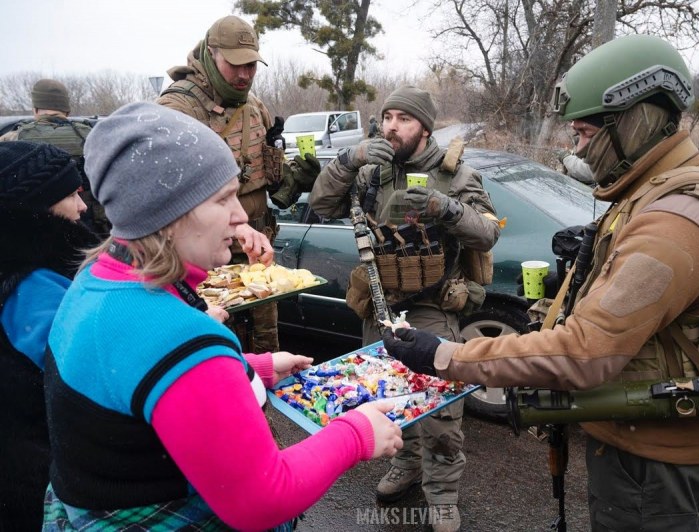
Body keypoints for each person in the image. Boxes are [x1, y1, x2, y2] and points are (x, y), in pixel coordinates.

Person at [382, 35, 699, 531]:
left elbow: (586, 352)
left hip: (651, 451)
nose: (576, 148)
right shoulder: (659, 191)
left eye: (582, 133)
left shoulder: (676, 221)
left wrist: (445, 356)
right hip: (644, 430)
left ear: (635, 121)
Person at [41, 102, 403, 531]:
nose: (241, 216)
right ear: (169, 214)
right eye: (223, 198)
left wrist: (251, 368)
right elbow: (261, 500)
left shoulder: (95, 283)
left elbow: (132, 381)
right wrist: (355, 433)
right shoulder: (179, 338)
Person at [309, 86, 501, 532]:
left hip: (430, 305)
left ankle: (443, 497)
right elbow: (321, 204)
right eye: (387, 116)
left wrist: (445, 208)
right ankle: (407, 465)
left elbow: (488, 236)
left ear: (426, 129)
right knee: (389, 398)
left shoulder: (456, 176)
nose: (392, 126)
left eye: (404, 119)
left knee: (440, 411)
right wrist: (347, 160)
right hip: (380, 303)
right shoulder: (369, 170)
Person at [157, 15, 320, 353]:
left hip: (256, 256)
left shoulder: (255, 107)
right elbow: (162, 197)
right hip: (202, 266)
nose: (245, 74)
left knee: (265, 352)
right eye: (235, 65)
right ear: (211, 54)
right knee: (211, 351)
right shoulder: (178, 109)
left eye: (251, 65)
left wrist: (297, 179)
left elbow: (273, 187)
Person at [0, 141, 96, 531]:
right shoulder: (32, 288)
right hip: (37, 473)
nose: (84, 206)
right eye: (72, 194)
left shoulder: (29, 268)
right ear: (38, 206)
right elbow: (89, 367)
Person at [0, 78, 109, 236]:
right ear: (67, 111)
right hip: (88, 219)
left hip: (33, 227)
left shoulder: (13, 138)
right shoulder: (93, 136)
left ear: (36, 109)